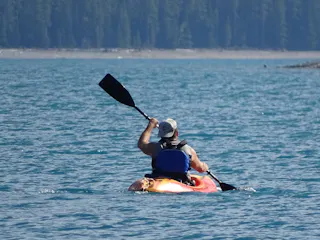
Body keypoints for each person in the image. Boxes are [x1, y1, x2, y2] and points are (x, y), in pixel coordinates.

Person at [138, 118, 209, 184]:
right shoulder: (188, 150)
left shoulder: (155, 147)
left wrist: (150, 125)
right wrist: (205, 166)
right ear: (177, 133)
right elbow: (200, 168)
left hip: (158, 180)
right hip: (180, 183)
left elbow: (141, 144)